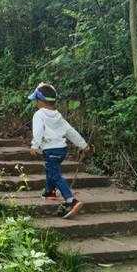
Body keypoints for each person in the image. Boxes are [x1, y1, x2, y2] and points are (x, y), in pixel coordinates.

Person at [28, 82, 90, 219]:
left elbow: (38, 131)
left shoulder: (39, 114)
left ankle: (71, 200)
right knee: (51, 169)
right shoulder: (58, 115)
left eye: (36, 101)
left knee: (55, 174)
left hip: (50, 150)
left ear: (40, 101)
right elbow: (70, 131)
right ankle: (49, 191)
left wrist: (34, 145)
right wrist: (83, 145)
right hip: (62, 150)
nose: (35, 104)